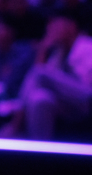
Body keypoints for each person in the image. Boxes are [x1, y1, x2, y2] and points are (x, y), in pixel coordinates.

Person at [18, 10, 92, 140]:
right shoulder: (59, 52)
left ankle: (15, 123)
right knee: (40, 98)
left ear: (72, 25)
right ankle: (38, 154)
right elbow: (39, 84)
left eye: (56, 24)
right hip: (71, 104)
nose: (51, 28)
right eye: (50, 26)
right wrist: (43, 49)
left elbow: (85, 84)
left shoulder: (87, 46)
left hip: (87, 98)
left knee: (40, 72)